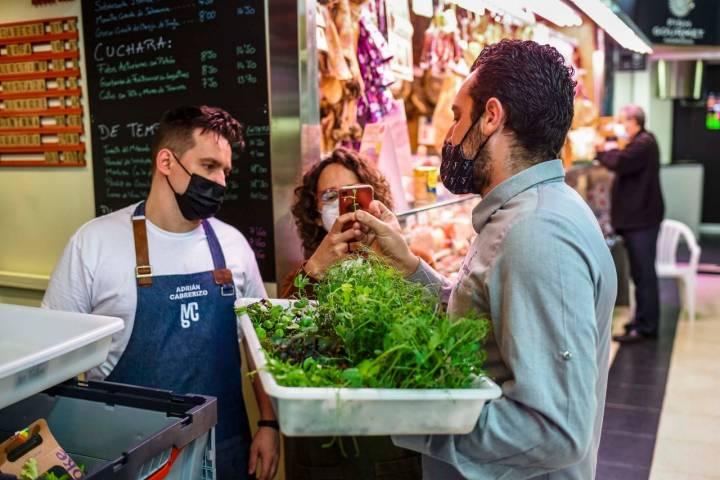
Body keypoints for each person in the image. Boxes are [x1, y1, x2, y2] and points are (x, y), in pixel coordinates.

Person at [353, 40, 618, 479]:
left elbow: (556, 430)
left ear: (491, 116)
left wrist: (402, 417)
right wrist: (408, 268)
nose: (450, 136)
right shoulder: (529, 213)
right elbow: (482, 328)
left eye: (457, 116)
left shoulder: (537, 233)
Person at [43, 106, 280, 480]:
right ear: (166, 161)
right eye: (208, 166)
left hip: (224, 448)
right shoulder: (94, 244)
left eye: (225, 171)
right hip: (126, 454)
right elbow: (52, 357)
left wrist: (269, 423)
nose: (220, 181)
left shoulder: (233, 246)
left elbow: (258, 347)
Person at [281, 147, 423, 479]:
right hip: (324, 443)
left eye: (352, 193)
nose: (343, 204)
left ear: (372, 201)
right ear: (315, 213)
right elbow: (281, 344)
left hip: (392, 443)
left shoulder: (405, 265)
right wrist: (315, 268)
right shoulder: (301, 279)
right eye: (331, 196)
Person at [596, 105, 665, 342]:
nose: (621, 126)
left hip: (642, 221)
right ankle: (641, 321)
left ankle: (646, 327)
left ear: (634, 121)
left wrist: (600, 152)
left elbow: (621, 162)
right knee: (639, 274)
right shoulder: (641, 142)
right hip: (639, 220)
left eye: (623, 121)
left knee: (644, 274)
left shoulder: (643, 143)